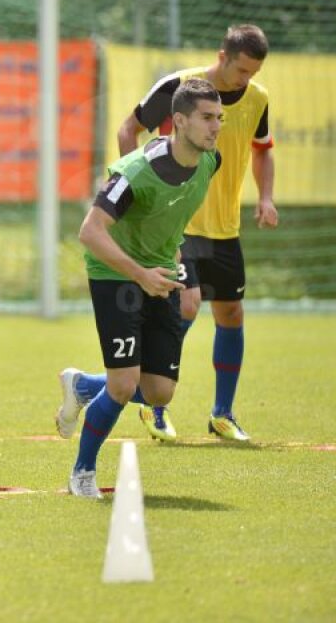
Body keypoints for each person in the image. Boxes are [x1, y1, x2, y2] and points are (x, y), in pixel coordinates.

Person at [57, 78, 222, 499]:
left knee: (158, 392)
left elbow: (171, 220)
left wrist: (175, 265)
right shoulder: (135, 171)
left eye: (218, 118)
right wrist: (139, 273)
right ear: (179, 121)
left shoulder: (210, 162)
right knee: (124, 385)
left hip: (163, 275)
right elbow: (90, 232)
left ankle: (82, 387)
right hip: (116, 276)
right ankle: (82, 473)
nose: (215, 126)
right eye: (206, 118)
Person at [116, 24, 276, 442]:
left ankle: (222, 414)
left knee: (231, 315)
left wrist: (267, 197)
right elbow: (126, 130)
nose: (247, 80)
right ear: (223, 56)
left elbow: (263, 150)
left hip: (225, 228)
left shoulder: (258, 99)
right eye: (241, 70)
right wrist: (135, 194)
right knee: (186, 306)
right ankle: (154, 406)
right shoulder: (178, 87)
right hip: (177, 225)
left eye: (253, 73)